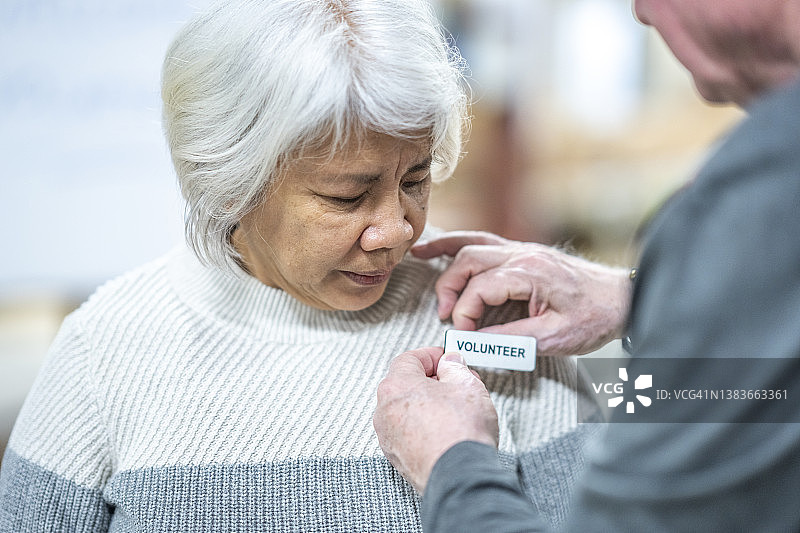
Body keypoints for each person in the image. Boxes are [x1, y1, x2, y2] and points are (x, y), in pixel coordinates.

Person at [0, 1, 595, 531]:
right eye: (346, 197)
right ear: (231, 184)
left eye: (415, 179)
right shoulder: (105, 346)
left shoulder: (498, 322)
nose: (397, 230)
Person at [374, 0, 800, 531]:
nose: (642, 12)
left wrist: (454, 462)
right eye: (345, 195)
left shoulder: (762, 191)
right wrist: (637, 297)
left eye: (416, 182)